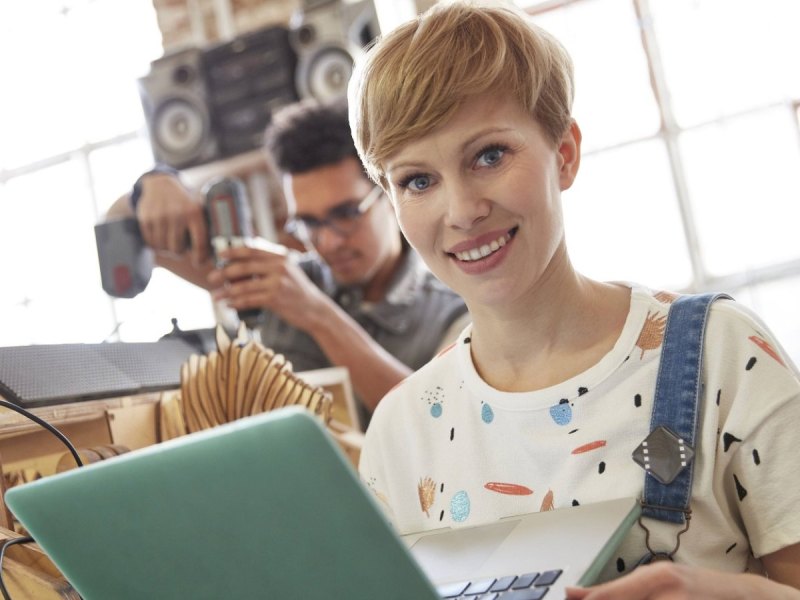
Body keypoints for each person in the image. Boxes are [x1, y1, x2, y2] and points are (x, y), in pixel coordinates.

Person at [349, 1, 800, 596]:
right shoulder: (400, 434)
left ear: (565, 153)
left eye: (489, 155)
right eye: (417, 181)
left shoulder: (722, 352)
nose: (461, 211)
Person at [106, 98, 469, 424]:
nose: (326, 241)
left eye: (345, 213)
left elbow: (439, 422)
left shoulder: (456, 310)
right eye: (308, 222)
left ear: (389, 193)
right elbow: (121, 220)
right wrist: (152, 185)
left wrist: (316, 315)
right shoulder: (281, 280)